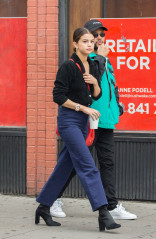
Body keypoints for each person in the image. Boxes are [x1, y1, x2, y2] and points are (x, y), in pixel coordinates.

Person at [35, 27, 121, 232]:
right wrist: (82, 108)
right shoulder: (68, 65)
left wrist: (95, 85)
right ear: (75, 44)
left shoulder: (91, 64)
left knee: (65, 166)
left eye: (91, 41)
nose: (89, 44)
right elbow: (58, 96)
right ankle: (103, 213)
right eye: (84, 41)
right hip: (69, 121)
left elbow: (96, 96)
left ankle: (44, 207)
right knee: (87, 165)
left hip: (83, 122)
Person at [51, 20, 137, 220]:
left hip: (106, 120)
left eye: (101, 35)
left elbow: (110, 87)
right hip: (88, 119)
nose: (98, 39)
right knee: (75, 162)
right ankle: (53, 198)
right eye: (93, 35)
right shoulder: (89, 60)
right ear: (83, 40)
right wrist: (100, 57)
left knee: (107, 163)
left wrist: (117, 106)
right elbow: (91, 81)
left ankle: (112, 205)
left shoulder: (104, 60)